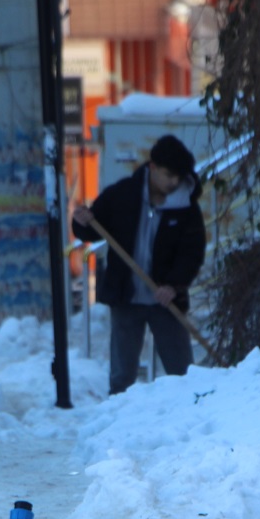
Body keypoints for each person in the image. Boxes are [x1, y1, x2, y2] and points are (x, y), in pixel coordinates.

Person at [71, 135, 206, 395]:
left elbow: (192, 253)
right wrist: (82, 221)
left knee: (183, 373)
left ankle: (191, 412)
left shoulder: (186, 207)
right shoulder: (123, 195)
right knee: (122, 376)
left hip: (166, 300)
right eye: (168, 175)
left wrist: (173, 285)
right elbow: (92, 229)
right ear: (153, 167)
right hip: (126, 297)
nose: (174, 182)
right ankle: (120, 415)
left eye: (178, 177)